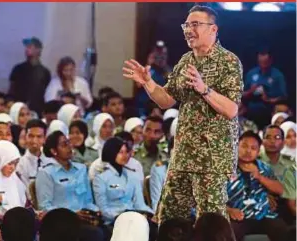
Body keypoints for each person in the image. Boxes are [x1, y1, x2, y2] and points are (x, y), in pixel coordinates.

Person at [123, 5, 243, 223]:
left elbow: (231, 109)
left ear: (213, 29)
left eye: (195, 24)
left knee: (211, 222)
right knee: (169, 218)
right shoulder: (185, 60)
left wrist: (204, 89)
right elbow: (166, 100)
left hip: (212, 159)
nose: (189, 29)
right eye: (186, 25)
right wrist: (148, 83)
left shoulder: (229, 62)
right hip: (183, 154)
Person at [36, 131, 104, 241]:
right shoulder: (46, 173)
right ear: (54, 151)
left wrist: (95, 211)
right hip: (61, 222)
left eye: (68, 143)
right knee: (95, 234)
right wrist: (71, 214)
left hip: (83, 218)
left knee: (106, 229)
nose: (69, 147)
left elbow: (88, 200)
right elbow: (44, 207)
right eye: (64, 145)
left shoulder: (81, 169)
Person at [227, 131, 287, 241]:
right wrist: (228, 210)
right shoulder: (226, 168)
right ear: (236, 146)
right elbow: (214, 196)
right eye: (244, 146)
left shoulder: (264, 168)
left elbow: (281, 190)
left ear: (258, 151)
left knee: (283, 230)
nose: (248, 151)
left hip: (264, 215)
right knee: (228, 233)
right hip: (238, 216)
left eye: (253, 148)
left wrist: (260, 177)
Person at [92, 137, 153, 225]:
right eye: (121, 152)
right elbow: (103, 209)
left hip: (133, 218)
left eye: (126, 152)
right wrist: (121, 217)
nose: (125, 156)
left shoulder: (133, 176)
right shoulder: (101, 178)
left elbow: (140, 204)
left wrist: (152, 214)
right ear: (112, 153)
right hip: (112, 221)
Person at [259, 125, 296, 221]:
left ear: (283, 143)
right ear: (262, 141)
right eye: (268, 137)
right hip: (260, 201)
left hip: (287, 201)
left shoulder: (291, 163)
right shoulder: (255, 161)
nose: (272, 141)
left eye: (277, 137)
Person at [243, 49, 287, 128]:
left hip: (270, 110)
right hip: (251, 110)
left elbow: (283, 97)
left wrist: (268, 99)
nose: (262, 65)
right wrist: (250, 91)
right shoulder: (251, 73)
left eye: (265, 62)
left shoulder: (277, 75)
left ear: (270, 61)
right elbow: (241, 94)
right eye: (260, 62)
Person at [8, 37, 51, 116]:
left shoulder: (45, 72)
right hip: (19, 110)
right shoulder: (18, 69)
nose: (27, 49)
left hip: (37, 111)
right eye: (26, 47)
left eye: (30, 47)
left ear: (38, 50)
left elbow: (46, 94)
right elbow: (11, 89)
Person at [17, 119, 53, 189]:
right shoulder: (20, 165)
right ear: (25, 137)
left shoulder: (52, 162)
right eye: (31, 136)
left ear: (45, 139)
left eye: (39, 136)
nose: (34, 141)